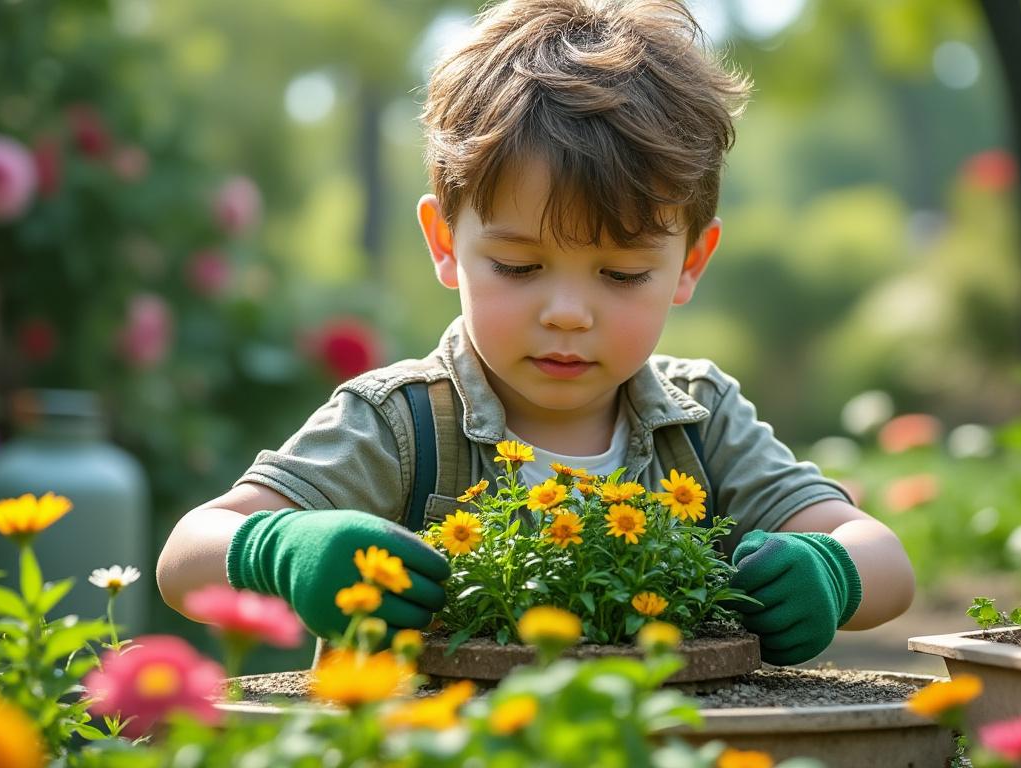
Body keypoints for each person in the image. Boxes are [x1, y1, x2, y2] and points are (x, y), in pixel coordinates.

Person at [157, 0, 915, 666]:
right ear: (446, 244)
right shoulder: (402, 425)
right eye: (519, 266)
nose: (566, 312)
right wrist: (282, 550)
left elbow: (885, 561)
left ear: (691, 262)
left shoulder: (703, 422)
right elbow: (187, 556)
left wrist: (829, 572)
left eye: (620, 275)